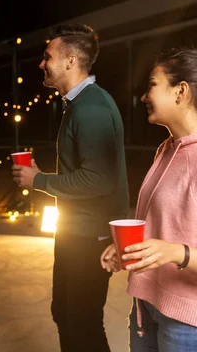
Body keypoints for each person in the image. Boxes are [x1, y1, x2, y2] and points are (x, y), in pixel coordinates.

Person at [12, 24, 129, 352]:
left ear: (70, 61)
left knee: (82, 323)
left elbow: (98, 179)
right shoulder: (81, 104)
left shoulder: (91, 108)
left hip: (89, 238)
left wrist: (39, 180)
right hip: (75, 232)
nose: (41, 64)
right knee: (65, 314)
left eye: (47, 56)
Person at [101, 47, 197, 352]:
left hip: (185, 321)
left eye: (152, 85)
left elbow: (174, 245)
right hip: (146, 304)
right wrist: (128, 248)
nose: (143, 97)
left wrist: (175, 252)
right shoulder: (166, 149)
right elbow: (166, 223)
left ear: (181, 91)